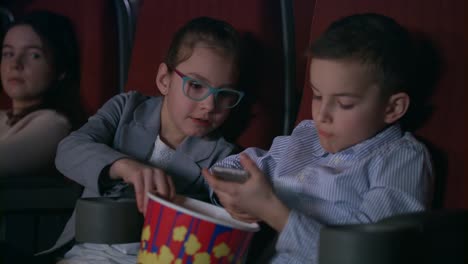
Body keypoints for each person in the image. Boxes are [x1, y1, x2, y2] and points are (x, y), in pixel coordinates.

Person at [203, 13, 434, 263]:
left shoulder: (401, 158)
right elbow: (239, 166)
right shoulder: (308, 135)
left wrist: (272, 210)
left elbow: (367, 255)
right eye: (317, 96)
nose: (321, 115)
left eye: (344, 103)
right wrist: (231, 194)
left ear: (392, 108)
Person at [42, 16, 245, 263]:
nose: (209, 105)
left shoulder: (222, 155)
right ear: (164, 80)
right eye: (195, 85)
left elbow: (226, 211)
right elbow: (69, 151)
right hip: (86, 250)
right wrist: (124, 166)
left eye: (224, 94)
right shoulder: (125, 107)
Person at [0, 10, 84, 176]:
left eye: (34, 55)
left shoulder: (55, 125)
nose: (15, 64)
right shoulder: (3, 117)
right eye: (8, 53)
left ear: (61, 69)